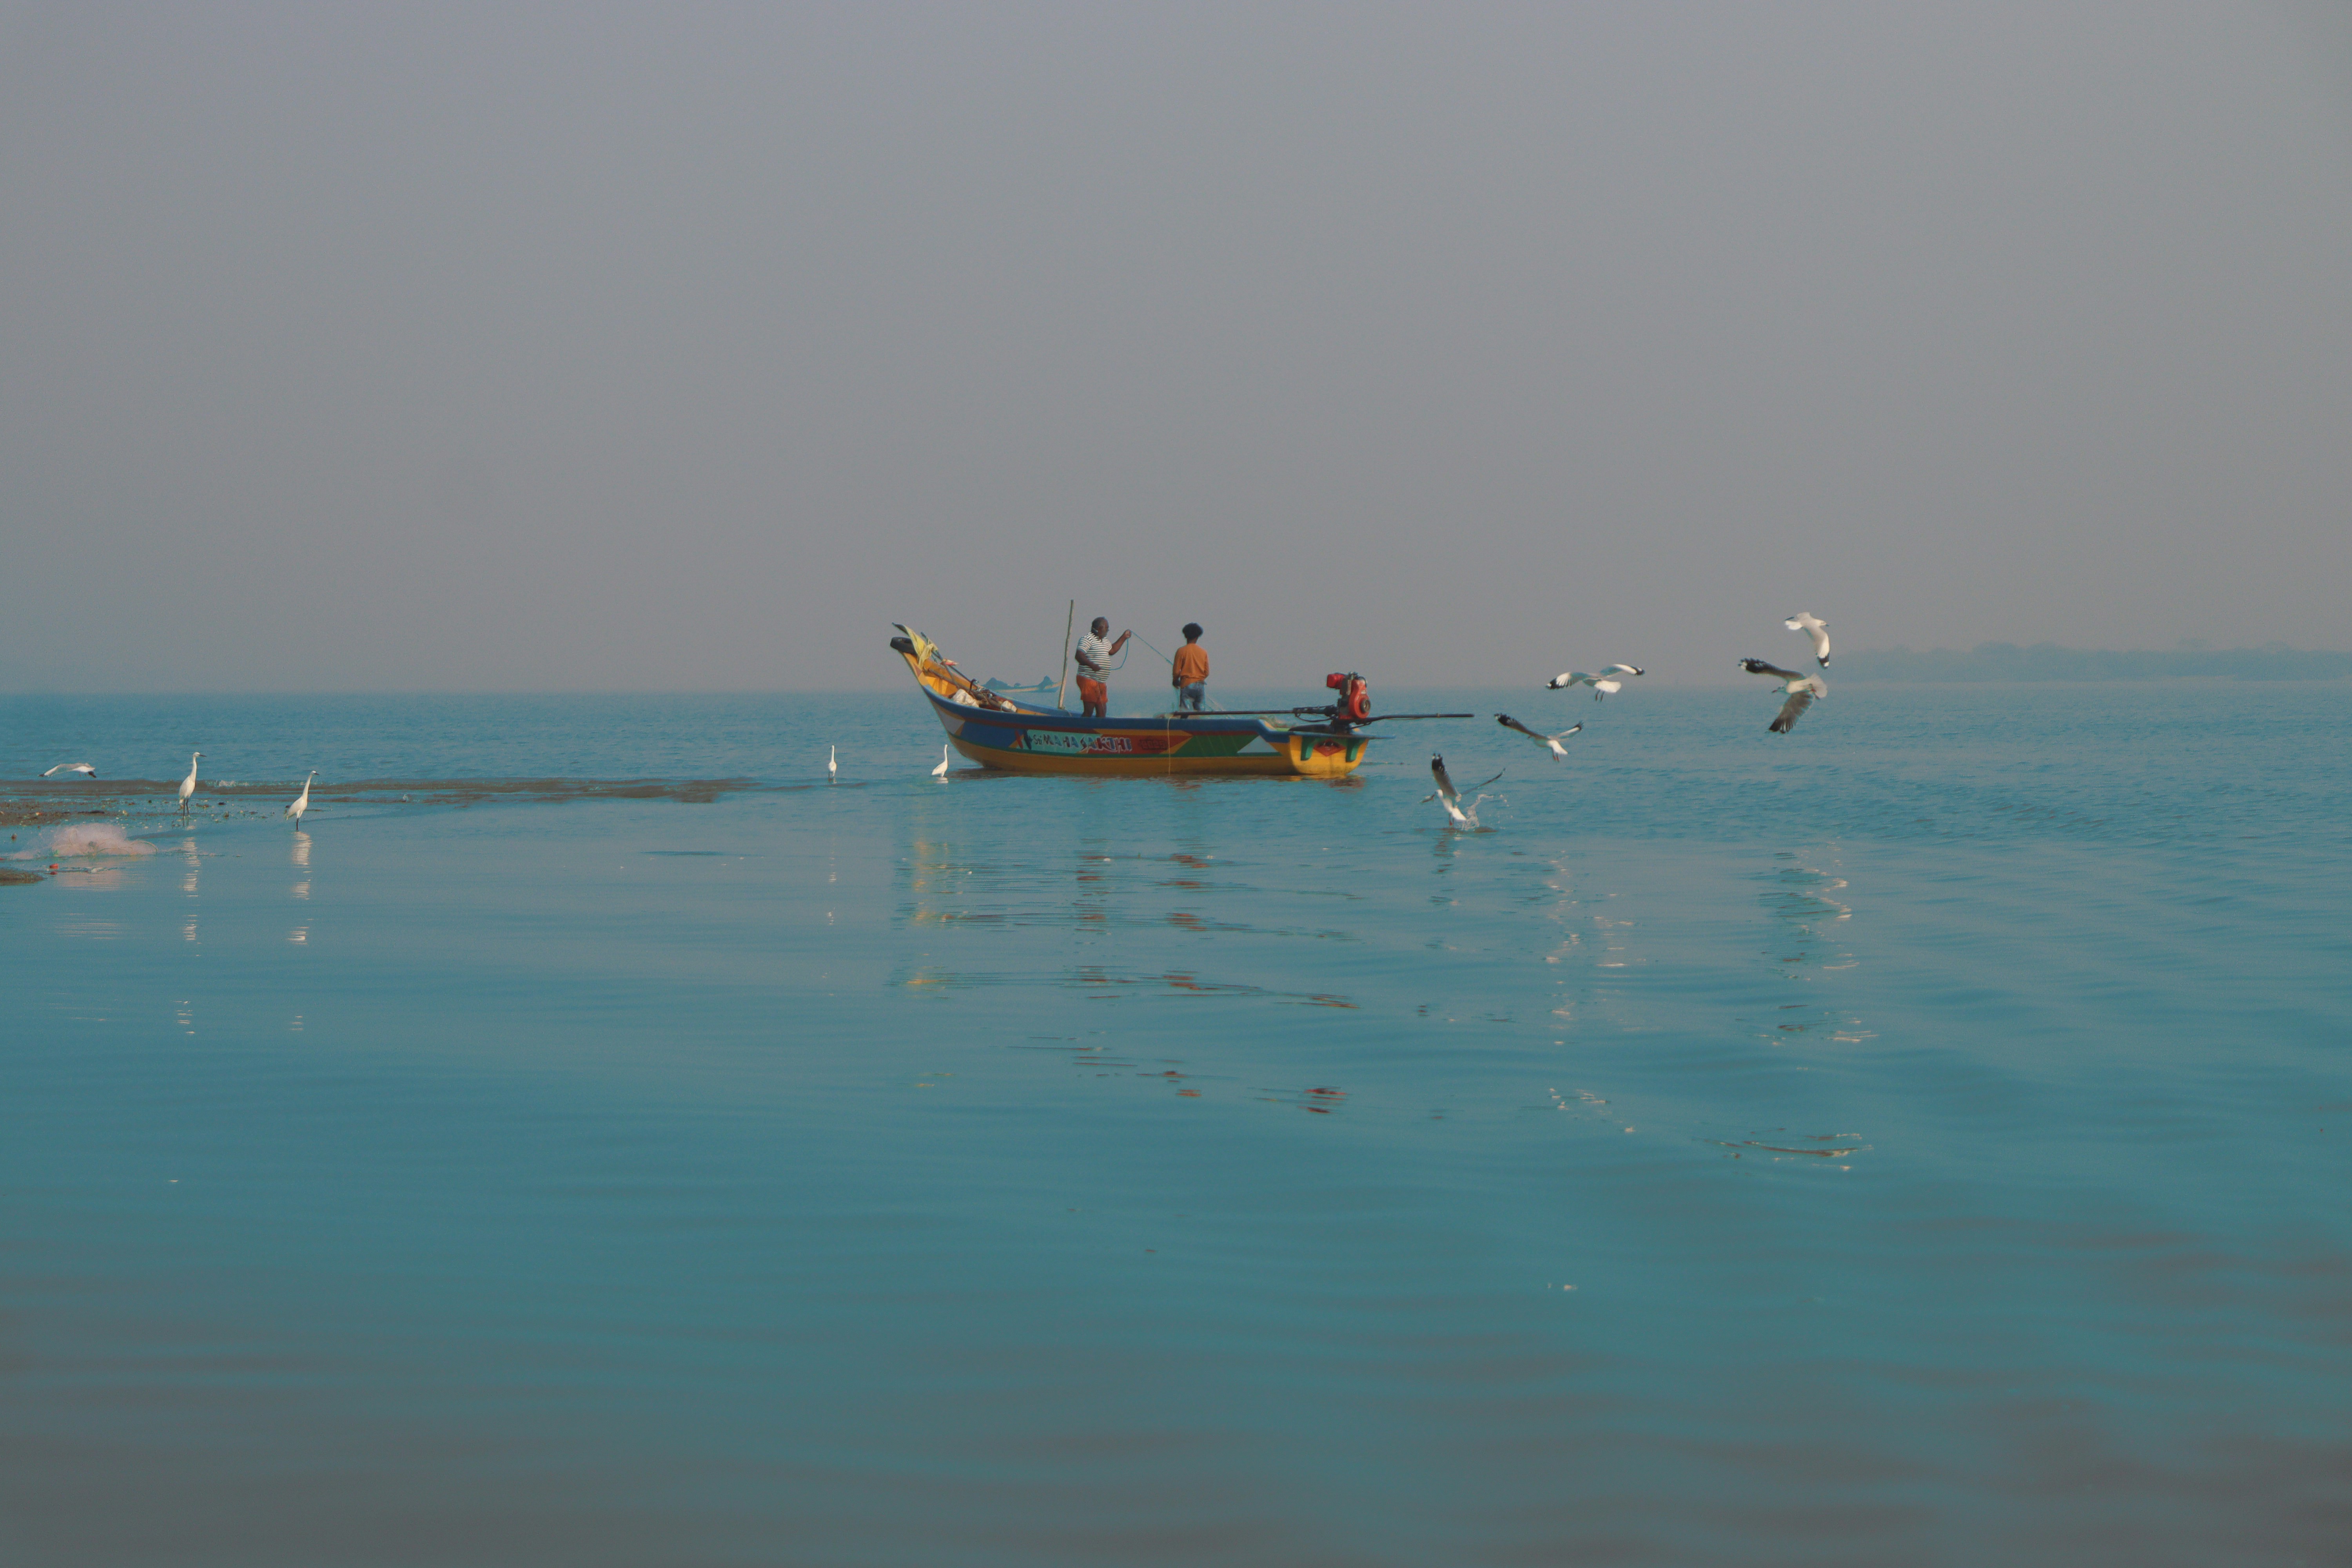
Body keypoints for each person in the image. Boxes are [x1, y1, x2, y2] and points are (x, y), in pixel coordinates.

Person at [1073, 616, 1131, 717]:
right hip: (1088, 679)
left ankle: (1098, 731)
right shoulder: (1087, 639)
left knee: (1102, 712)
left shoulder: (1104, 641)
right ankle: (1083, 730)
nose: (1108, 630)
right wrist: (1092, 665)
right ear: (1100, 628)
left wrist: (1124, 637)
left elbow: (1112, 650)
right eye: (1107, 628)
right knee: (1089, 711)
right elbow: (1079, 655)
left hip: (1100, 681)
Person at [1171, 623, 1209, 711]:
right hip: (1200, 685)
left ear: (1186, 636)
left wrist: (1175, 681)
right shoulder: (1203, 652)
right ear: (1198, 637)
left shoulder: (1181, 651)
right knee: (1200, 712)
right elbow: (1207, 673)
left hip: (1187, 685)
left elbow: (1176, 672)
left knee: (1185, 711)